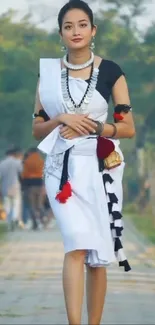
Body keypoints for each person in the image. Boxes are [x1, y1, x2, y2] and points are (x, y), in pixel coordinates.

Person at [32, 0, 136, 323]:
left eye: (81, 25)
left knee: (97, 256)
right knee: (76, 242)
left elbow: (128, 128)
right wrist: (60, 118)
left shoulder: (111, 71)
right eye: (68, 26)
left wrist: (96, 127)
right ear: (60, 34)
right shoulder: (49, 74)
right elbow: (37, 129)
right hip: (60, 170)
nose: (75, 31)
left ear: (93, 30)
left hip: (99, 169)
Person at [0, 146, 23, 230]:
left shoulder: (2, 163)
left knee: (7, 205)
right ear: (14, 154)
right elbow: (21, 174)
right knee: (16, 204)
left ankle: (9, 222)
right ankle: (14, 218)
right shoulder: (17, 162)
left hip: (4, 187)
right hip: (15, 186)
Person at [21, 147, 45, 230]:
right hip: (40, 184)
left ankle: (35, 223)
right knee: (39, 205)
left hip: (30, 185)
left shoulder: (27, 161)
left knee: (32, 206)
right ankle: (43, 221)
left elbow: (24, 174)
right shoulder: (41, 160)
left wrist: (23, 186)